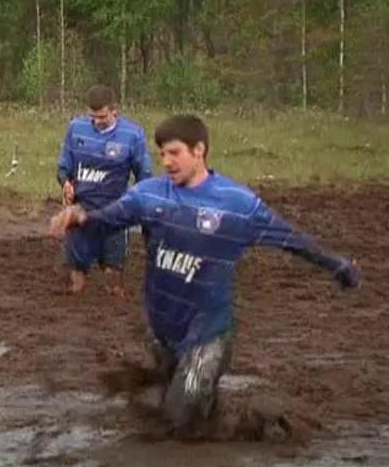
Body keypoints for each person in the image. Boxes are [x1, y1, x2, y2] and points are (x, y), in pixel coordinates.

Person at [49, 114, 361, 438]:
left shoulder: (236, 205)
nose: (166, 162)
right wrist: (79, 215)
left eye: (174, 153)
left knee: (176, 419)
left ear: (199, 150)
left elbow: (290, 239)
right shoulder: (149, 195)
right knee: (181, 408)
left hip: (207, 335)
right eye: (162, 155)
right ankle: (211, 415)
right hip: (162, 330)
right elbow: (105, 221)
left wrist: (337, 265)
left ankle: (257, 426)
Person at [56, 84, 152, 295]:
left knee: (112, 280)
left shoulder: (132, 135)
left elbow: (144, 174)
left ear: (114, 110)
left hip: (114, 214)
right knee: (76, 283)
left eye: (102, 116)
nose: (97, 122)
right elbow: (64, 167)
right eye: (93, 116)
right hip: (81, 213)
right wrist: (66, 184)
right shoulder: (76, 129)